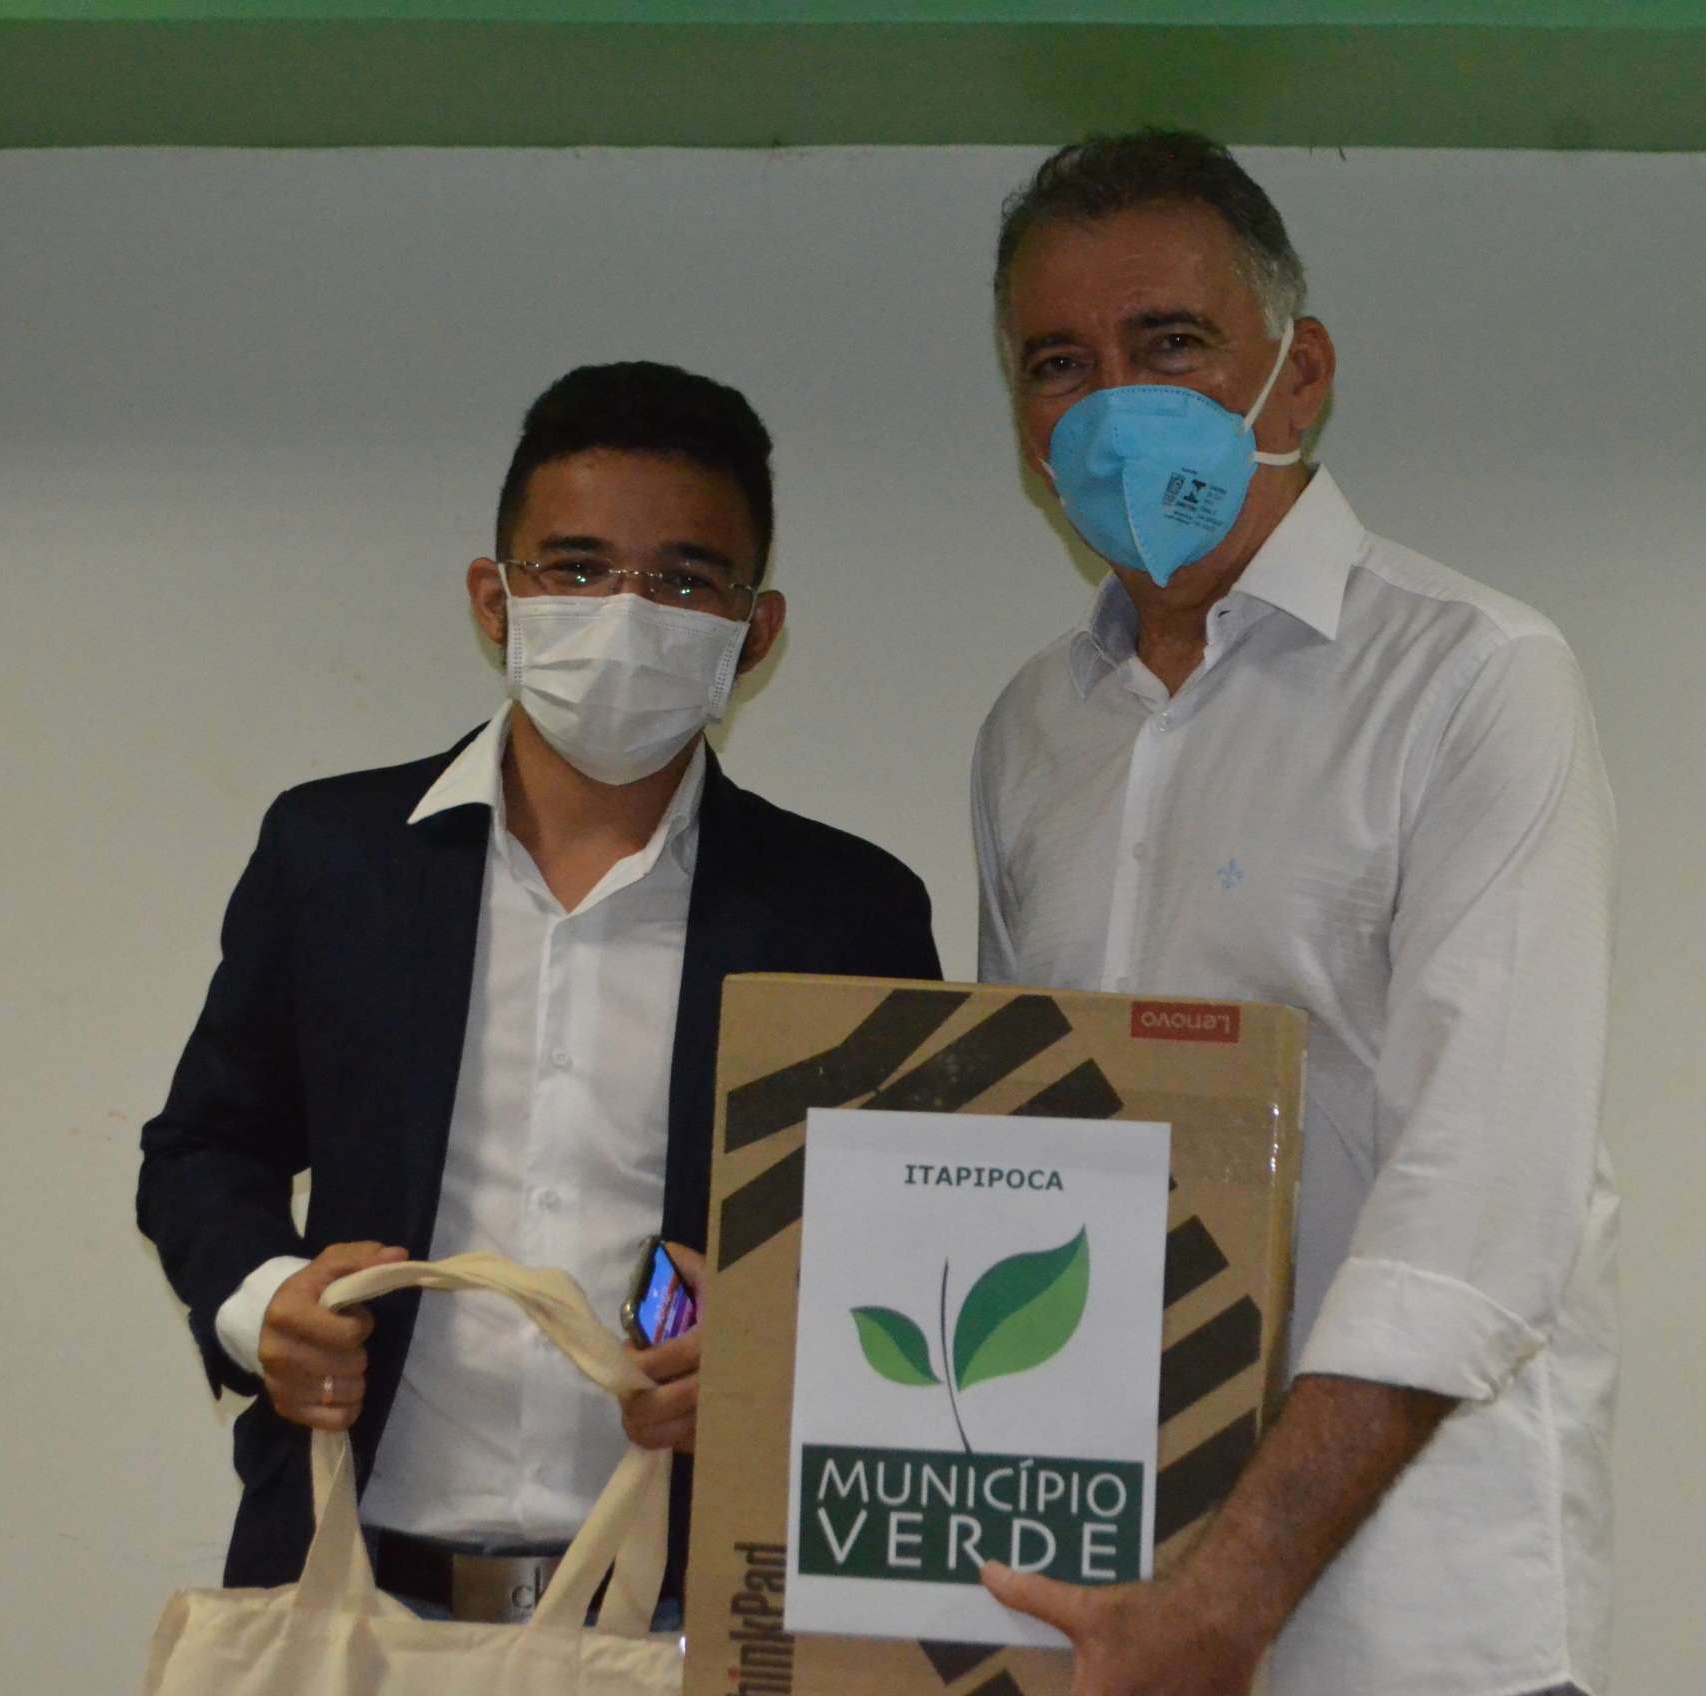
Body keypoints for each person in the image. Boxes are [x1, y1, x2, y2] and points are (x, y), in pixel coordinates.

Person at [137, 361, 941, 1622]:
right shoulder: (336, 856)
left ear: (755, 631)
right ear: (495, 599)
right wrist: (261, 1303)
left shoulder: (848, 911)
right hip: (355, 1601)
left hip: (689, 1615)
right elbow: (201, 1148)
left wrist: (782, 1353)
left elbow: (916, 1238)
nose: (624, 614)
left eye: (684, 580)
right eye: (575, 568)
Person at [969, 133, 1617, 1696]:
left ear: (1300, 374)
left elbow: (1480, 1200)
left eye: (1171, 344)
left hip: (1413, 1623)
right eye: (1059, 364)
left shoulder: (1474, 679)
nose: (1113, 402)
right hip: (1108, 1606)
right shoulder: (1033, 731)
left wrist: (1232, 1593)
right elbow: (1014, 1152)